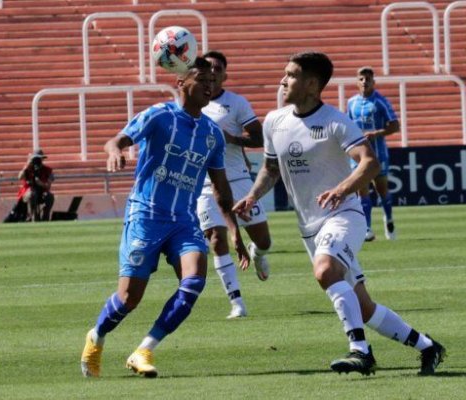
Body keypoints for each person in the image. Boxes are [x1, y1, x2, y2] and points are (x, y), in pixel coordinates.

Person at [233, 51, 446, 376]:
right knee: (364, 307)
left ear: (312, 84)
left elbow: (370, 162)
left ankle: (360, 351)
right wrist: (251, 195)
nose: (283, 80)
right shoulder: (275, 121)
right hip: (309, 227)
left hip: (345, 215)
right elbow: (271, 169)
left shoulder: (335, 120)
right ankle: (427, 347)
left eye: (290, 74)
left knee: (325, 271)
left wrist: (342, 189)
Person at [80, 57, 250, 379]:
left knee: (194, 279)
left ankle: (143, 350)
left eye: (213, 81)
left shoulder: (212, 134)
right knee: (129, 298)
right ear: (181, 82)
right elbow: (116, 140)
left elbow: (221, 189)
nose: (210, 85)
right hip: (145, 214)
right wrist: (115, 151)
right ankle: (96, 336)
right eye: (202, 79)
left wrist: (234, 231)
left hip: (184, 221)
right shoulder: (159, 115)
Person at [197, 50, 273, 319]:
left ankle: (258, 253)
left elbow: (259, 139)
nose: (213, 72)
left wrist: (231, 139)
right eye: (208, 68)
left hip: (239, 179)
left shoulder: (236, 103)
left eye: (218, 68)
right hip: (205, 185)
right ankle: (236, 302)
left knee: (263, 240)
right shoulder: (192, 103)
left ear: (225, 74)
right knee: (217, 239)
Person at [347, 67, 400, 241]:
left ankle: (389, 218)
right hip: (358, 155)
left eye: (368, 79)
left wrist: (375, 134)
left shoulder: (380, 102)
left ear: (373, 82)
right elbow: (348, 125)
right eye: (361, 79)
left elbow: (394, 126)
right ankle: (367, 228)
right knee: (362, 191)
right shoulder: (351, 103)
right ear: (357, 82)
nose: (365, 82)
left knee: (381, 189)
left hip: (378, 153)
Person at [16, 149, 54, 222]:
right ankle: (33, 217)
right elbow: (19, 177)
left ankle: (45, 218)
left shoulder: (48, 170)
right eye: (35, 159)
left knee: (50, 196)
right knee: (32, 194)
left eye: (39, 159)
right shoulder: (28, 169)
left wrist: (40, 183)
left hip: (42, 192)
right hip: (28, 193)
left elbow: (48, 186)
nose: (37, 161)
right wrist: (27, 165)